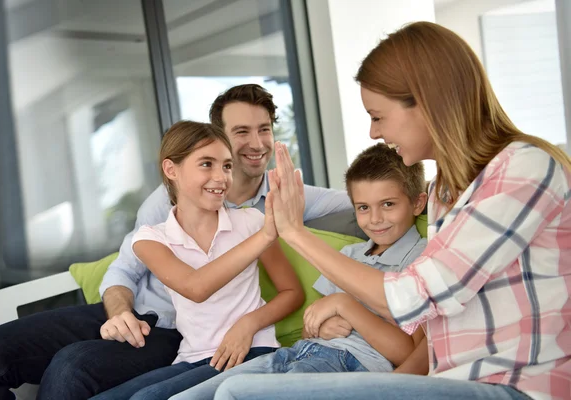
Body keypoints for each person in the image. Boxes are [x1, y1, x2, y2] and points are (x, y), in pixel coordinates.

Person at [213, 21, 571, 400]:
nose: (372, 133)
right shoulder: (446, 191)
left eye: (378, 116)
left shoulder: (524, 168)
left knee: (239, 394)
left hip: (516, 388)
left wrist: (295, 233)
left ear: (426, 101)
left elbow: (413, 297)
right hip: (448, 382)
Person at [0, 84, 352, 400]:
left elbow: (360, 200)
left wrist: (404, 195)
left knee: (71, 368)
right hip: (137, 313)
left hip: (175, 334)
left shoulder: (274, 203)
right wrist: (119, 311)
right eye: (241, 132)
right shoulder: (162, 209)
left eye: (265, 129)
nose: (256, 143)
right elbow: (128, 269)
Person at [170, 143, 429, 400]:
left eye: (388, 204)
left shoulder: (423, 260)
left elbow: (409, 352)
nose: (374, 219)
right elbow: (311, 326)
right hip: (299, 351)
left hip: (352, 363)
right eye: (363, 207)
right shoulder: (350, 255)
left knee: (232, 393)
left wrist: (345, 305)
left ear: (418, 204)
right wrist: (322, 326)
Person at [90, 120, 303, 400]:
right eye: (206, 164)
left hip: (254, 352)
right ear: (171, 170)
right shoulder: (151, 238)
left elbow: (292, 292)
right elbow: (195, 287)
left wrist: (248, 324)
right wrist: (265, 235)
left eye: (227, 166)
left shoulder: (251, 222)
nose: (221, 176)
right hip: (191, 359)